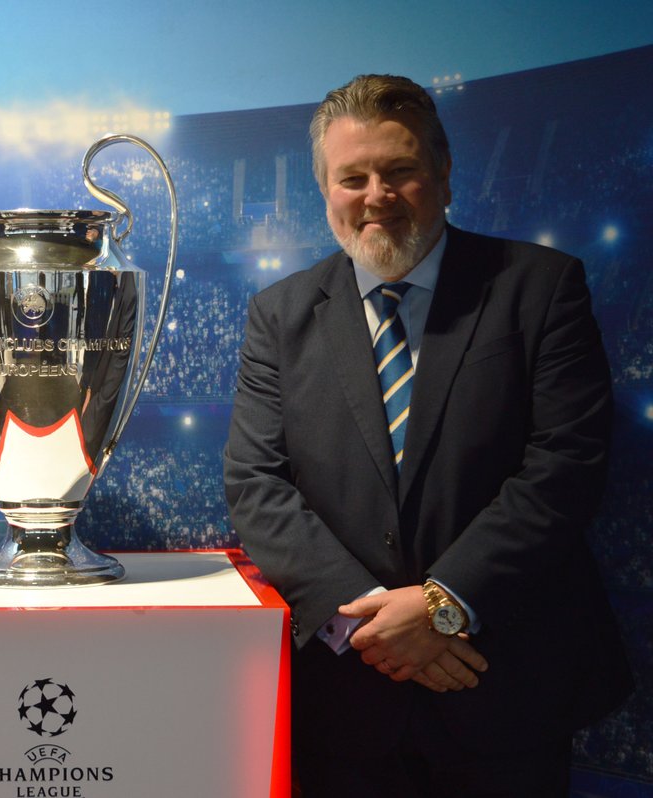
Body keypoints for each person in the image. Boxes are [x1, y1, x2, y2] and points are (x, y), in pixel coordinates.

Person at [223, 75, 632, 796]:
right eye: (353, 177)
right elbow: (257, 485)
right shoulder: (278, 316)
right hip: (344, 701)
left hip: (503, 687)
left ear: (443, 177)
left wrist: (444, 603)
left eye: (399, 170)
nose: (376, 194)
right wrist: (372, 630)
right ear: (325, 192)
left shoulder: (538, 288)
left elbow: (566, 465)